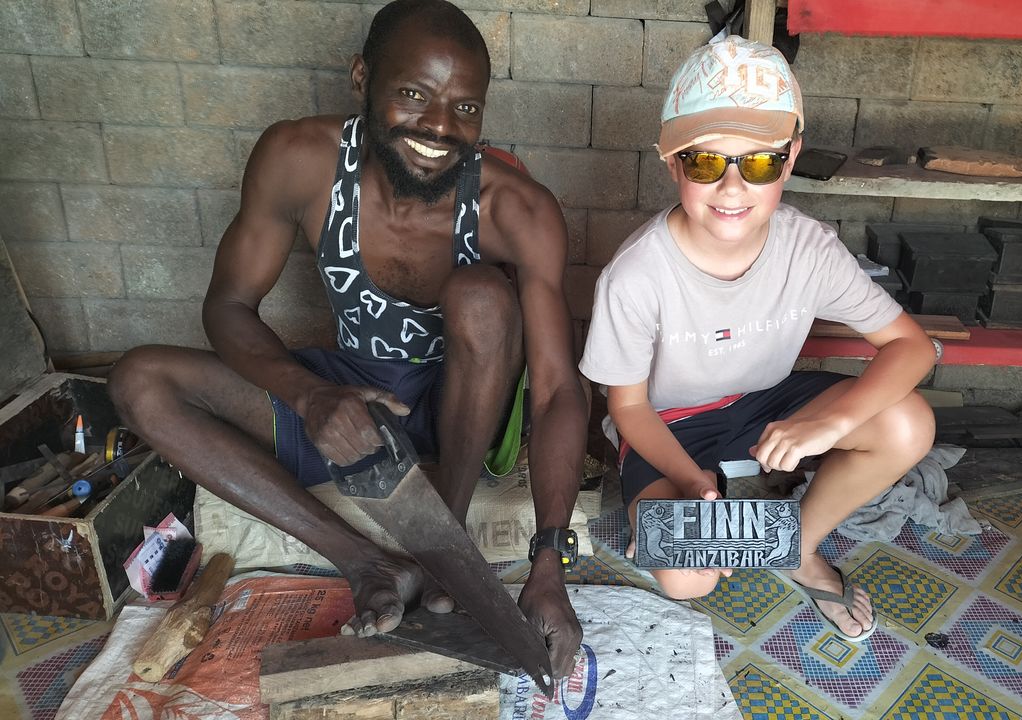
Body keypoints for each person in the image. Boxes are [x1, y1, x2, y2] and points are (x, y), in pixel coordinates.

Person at [107, 0, 585, 676]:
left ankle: (440, 547)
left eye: (466, 108)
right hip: (349, 399)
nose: (441, 128)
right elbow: (228, 307)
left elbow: (560, 390)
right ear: (362, 78)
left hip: (459, 413)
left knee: (481, 297)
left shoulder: (517, 209)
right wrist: (310, 396)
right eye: (414, 95)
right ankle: (367, 562)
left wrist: (550, 561)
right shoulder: (300, 159)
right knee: (139, 381)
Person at [579, 36, 937, 642]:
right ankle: (681, 507)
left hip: (766, 404)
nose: (732, 187)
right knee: (688, 577)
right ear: (672, 161)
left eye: (760, 162)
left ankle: (797, 547)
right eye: (706, 162)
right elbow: (630, 407)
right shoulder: (636, 275)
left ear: (791, 157)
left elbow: (914, 348)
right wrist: (693, 483)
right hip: (668, 425)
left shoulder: (809, 249)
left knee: (909, 423)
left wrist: (825, 426)